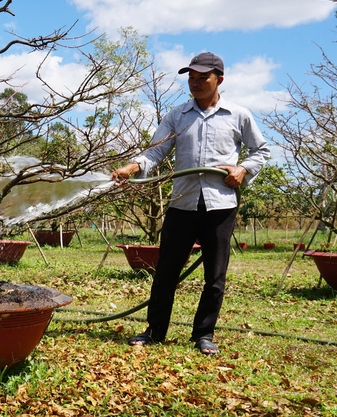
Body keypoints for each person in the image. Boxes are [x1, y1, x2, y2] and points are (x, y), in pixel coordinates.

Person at [112, 52, 270, 355]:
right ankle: (155, 330)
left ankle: (204, 334)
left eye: (202, 78)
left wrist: (243, 169)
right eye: (191, 78)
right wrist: (131, 168)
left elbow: (260, 151)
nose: (195, 83)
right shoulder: (176, 116)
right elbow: (155, 153)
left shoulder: (238, 115)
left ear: (218, 80)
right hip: (182, 203)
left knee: (215, 275)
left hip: (220, 205)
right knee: (166, 271)